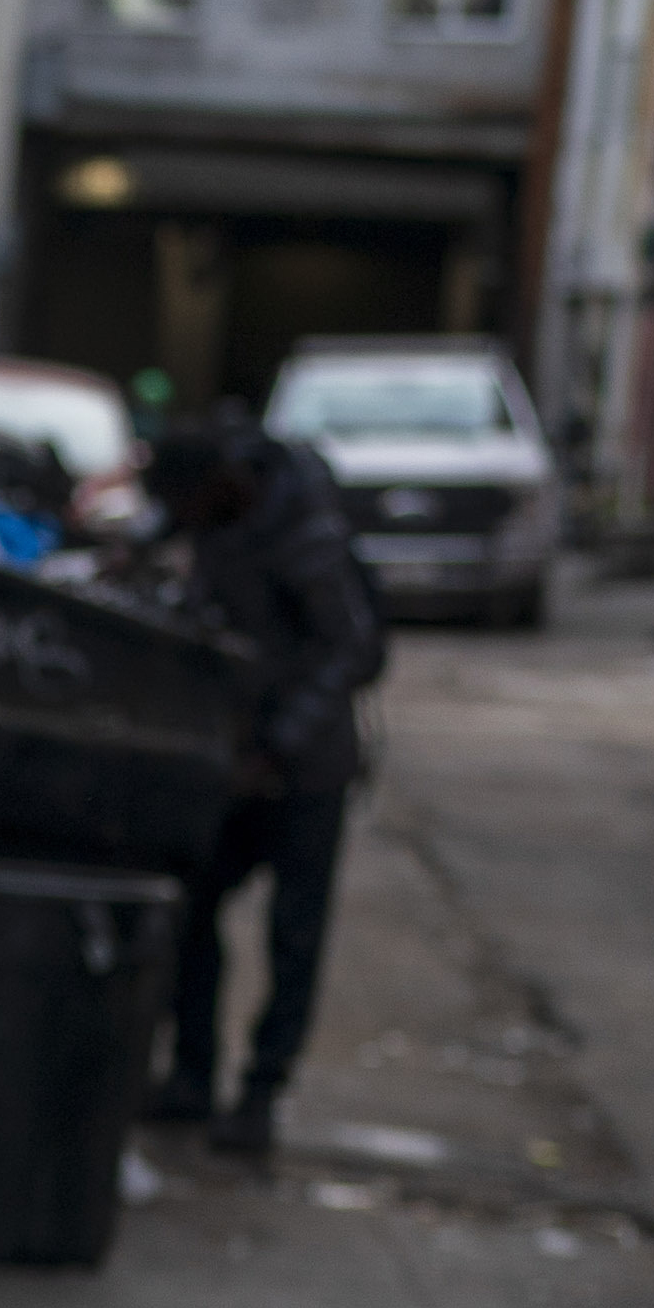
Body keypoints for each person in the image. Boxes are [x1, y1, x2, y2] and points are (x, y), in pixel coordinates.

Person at [145, 417, 380, 1155]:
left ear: (220, 489)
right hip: (241, 761)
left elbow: (353, 650)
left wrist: (279, 744)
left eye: (185, 507)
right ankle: (190, 1076)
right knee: (193, 907)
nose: (181, 523)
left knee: (294, 936)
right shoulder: (218, 521)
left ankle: (259, 1096)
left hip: (306, 772)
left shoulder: (305, 536)